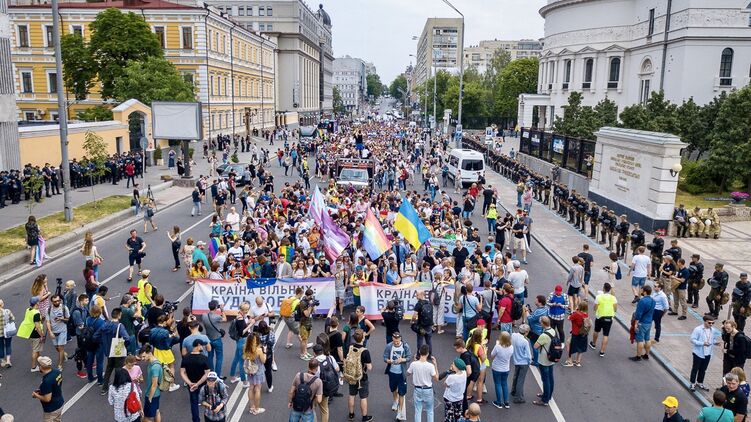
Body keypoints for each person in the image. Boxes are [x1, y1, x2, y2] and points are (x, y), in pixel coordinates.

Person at [96, 307, 132, 395]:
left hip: (109, 351)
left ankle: (104, 388)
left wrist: (103, 343)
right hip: (118, 351)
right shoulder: (120, 326)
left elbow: (96, 336)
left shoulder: (105, 324)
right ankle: (117, 387)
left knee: (109, 368)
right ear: (119, 315)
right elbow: (127, 338)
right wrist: (125, 346)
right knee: (118, 369)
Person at [345, 329, 373, 422]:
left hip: (351, 375)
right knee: (363, 397)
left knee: (351, 395)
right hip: (362, 377)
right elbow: (369, 367)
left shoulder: (350, 347)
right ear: (363, 338)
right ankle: (364, 417)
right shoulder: (365, 351)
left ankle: (351, 414)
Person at [383, 332, 411, 421]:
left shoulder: (405, 346)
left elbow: (409, 357)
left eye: (398, 342)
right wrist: (389, 361)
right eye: (394, 341)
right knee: (393, 389)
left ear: (400, 340)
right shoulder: (389, 346)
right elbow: (384, 357)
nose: (396, 343)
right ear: (392, 339)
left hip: (401, 374)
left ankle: (399, 413)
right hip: (392, 372)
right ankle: (395, 401)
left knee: (402, 393)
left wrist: (403, 359)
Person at [180, 339, 210, 422]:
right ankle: (208, 419)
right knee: (207, 402)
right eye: (202, 345)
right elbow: (207, 373)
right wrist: (198, 383)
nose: (203, 347)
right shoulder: (204, 358)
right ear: (198, 345)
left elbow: (182, 372)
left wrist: (190, 383)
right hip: (203, 385)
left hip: (191, 385)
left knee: (194, 403)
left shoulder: (186, 358)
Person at [407, 344, 438, 422]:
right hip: (428, 390)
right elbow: (436, 378)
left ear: (419, 352)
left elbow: (407, 373)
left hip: (417, 389)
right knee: (430, 411)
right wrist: (435, 365)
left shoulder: (413, 364)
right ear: (428, 354)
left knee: (418, 411)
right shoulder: (430, 366)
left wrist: (414, 362)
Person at [690, 315, 719, 392]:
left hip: (708, 353)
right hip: (698, 353)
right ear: (705, 321)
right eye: (709, 323)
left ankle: (700, 382)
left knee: (703, 369)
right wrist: (702, 343)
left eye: (713, 323)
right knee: (695, 369)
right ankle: (692, 383)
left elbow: (713, 339)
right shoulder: (698, 329)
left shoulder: (713, 330)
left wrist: (716, 343)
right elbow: (692, 340)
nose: (711, 324)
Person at [32, 356, 64, 422]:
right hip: (60, 403)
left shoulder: (47, 381)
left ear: (41, 367)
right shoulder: (57, 372)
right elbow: (55, 385)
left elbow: (47, 399)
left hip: (51, 409)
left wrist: (36, 395)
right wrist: (42, 390)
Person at [533, 316, 556, 407]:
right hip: (551, 358)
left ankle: (545, 400)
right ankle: (548, 395)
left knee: (545, 379)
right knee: (550, 378)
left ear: (543, 323)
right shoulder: (553, 331)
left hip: (544, 359)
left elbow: (535, 346)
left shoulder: (544, 335)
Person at [591, 282, 617, 357]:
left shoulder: (599, 297)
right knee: (606, 335)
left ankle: (593, 343)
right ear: (609, 290)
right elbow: (615, 309)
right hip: (609, 318)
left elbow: (595, 308)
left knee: (596, 331)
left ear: (603, 289)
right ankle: (602, 351)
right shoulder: (613, 298)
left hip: (600, 317)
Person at [630, 286, 656, 362]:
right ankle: (646, 354)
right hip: (649, 322)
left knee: (640, 339)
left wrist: (635, 324)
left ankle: (638, 356)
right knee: (647, 339)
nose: (640, 291)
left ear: (644, 292)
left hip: (642, 322)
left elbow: (638, 314)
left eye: (642, 290)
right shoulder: (653, 301)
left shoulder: (642, 301)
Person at [202, 300, 226, 378]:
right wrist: (222, 309)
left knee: (210, 357)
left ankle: (211, 373)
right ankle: (218, 375)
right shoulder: (216, 317)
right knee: (219, 358)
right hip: (217, 339)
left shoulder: (204, 316)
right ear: (216, 307)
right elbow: (224, 319)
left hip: (208, 339)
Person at [244, 332, 267, 415]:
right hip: (258, 371)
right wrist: (264, 352)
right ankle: (256, 408)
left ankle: (251, 407)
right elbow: (263, 360)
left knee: (251, 388)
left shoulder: (246, 348)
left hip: (250, 371)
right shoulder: (259, 350)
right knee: (257, 389)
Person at [139, 344, 163, 422]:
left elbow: (154, 384)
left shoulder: (154, 367)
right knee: (156, 411)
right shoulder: (154, 361)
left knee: (146, 418)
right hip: (156, 394)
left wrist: (150, 398)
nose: (142, 359)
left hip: (151, 394)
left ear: (149, 353)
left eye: (143, 356)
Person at [489, 331, 513, 409]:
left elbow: (492, 355)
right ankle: (506, 402)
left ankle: (499, 402)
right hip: (506, 368)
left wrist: (497, 344)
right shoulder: (511, 347)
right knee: (504, 384)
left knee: (498, 384)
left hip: (497, 368)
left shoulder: (498, 347)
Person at [45, 294, 69, 371]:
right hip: (53, 332)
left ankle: (60, 365)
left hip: (62, 330)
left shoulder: (64, 308)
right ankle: (64, 354)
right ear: (52, 302)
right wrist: (50, 332)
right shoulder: (48, 310)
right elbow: (48, 322)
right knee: (57, 348)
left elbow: (68, 319)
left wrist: (62, 319)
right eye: (55, 301)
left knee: (60, 348)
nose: (57, 302)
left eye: (58, 300)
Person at [510, 324, 532, 404]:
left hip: (516, 360)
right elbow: (528, 355)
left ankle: (514, 391)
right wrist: (529, 361)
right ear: (526, 332)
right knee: (521, 379)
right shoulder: (525, 341)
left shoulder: (514, 335)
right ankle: (518, 397)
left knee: (516, 376)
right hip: (524, 362)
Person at [563, 301, 589, 367]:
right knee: (581, 347)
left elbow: (569, 318)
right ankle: (578, 362)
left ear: (579, 306)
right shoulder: (586, 314)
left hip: (576, 333)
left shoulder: (576, 314)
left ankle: (570, 361)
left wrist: (574, 311)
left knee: (569, 344)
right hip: (584, 333)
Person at [442, 357, 467, 422]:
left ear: (457, 367)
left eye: (453, 364)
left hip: (450, 399)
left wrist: (451, 371)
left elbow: (445, 384)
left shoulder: (452, 377)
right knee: (458, 416)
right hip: (459, 398)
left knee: (449, 416)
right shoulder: (464, 373)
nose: (452, 365)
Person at [412, 291, 433, 356]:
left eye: (417, 295)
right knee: (428, 341)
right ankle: (429, 354)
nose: (416, 296)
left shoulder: (418, 304)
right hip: (429, 325)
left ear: (421, 295)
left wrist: (412, 321)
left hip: (421, 325)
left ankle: (419, 355)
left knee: (420, 340)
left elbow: (414, 315)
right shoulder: (429, 303)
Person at [0, 298, 15, 368]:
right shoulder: (7, 311)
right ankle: (8, 361)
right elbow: (13, 318)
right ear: (2, 305)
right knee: (8, 345)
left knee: (1, 347)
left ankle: (2, 360)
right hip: (7, 332)